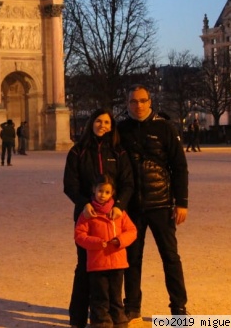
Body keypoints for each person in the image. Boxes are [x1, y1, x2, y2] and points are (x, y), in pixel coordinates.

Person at [118, 85, 190, 318]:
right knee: (131, 259)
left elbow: (179, 166)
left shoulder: (165, 127)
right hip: (132, 206)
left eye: (142, 101)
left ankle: (178, 307)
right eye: (133, 102)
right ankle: (131, 306)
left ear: (150, 102)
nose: (138, 105)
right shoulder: (121, 130)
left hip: (161, 202)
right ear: (127, 104)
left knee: (170, 257)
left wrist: (182, 202)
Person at [64, 108, 134, 328]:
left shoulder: (119, 152)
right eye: (98, 121)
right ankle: (77, 317)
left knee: (113, 270)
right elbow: (70, 184)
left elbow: (127, 183)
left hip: (114, 216)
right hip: (87, 214)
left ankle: (110, 316)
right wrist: (83, 203)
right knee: (84, 266)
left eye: (106, 122)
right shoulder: (78, 151)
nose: (102, 125)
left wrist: (120, 206)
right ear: (91, 123)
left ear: (111, 126)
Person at [74, 176, 137, 328]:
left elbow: (132, 231)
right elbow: (79, 235)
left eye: (107, 192)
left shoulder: (118, 213)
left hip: (117, 261)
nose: (103, 194)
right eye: (100, 191)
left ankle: (119, 320)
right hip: (98, 262)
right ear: (94, 190)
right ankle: (100, 321)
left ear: (112, 193)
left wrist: (120, 241)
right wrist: (96, 243)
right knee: (99, 295)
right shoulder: (88, 214)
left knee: (116, 295)